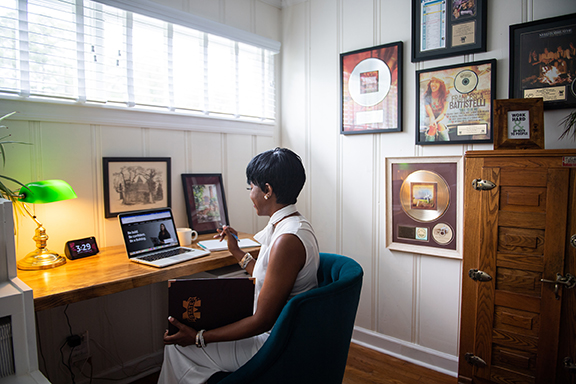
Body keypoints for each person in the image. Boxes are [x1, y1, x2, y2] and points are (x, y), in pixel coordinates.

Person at [158, 147, 320, 383]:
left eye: (250, 187)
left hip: (274, 342)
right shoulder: (293, 225)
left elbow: (262, 321)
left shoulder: (287, 240)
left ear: (267, 190)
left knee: (178, 346)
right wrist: (236, 252)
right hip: (280, 332)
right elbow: (269, 279)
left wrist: (199, 337)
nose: (250, 194)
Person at [423, 77, 450, 141]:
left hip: (442, 117)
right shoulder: (427, 96)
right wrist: (433, 122)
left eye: (437, 82)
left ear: (441, 84)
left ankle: (446, 146)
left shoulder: (446, 95)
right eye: (432, 81)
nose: (433, 84)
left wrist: (436, 121)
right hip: (429, 118)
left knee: (440, 125)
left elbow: (443, 113)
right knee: (432, 127)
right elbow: (431, 115)